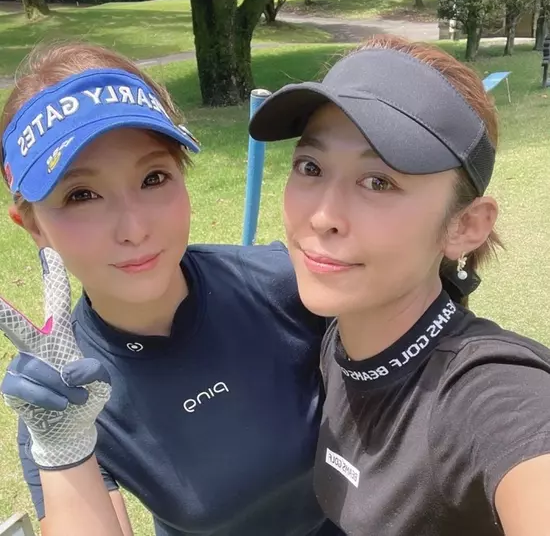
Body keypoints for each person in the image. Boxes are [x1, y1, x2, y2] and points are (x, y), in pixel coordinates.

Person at [0, 41, 343, 536]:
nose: (134, 228)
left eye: (154, 177)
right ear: (32, 226)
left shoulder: (287, 286)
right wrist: (63, 450)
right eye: (81, 195)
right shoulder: (65, 394)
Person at [249, 34, 550, 536]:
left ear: (465, 226)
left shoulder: (487, 394)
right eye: (311, 167)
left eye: (378, 182)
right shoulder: (342, 336)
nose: (322, 216)